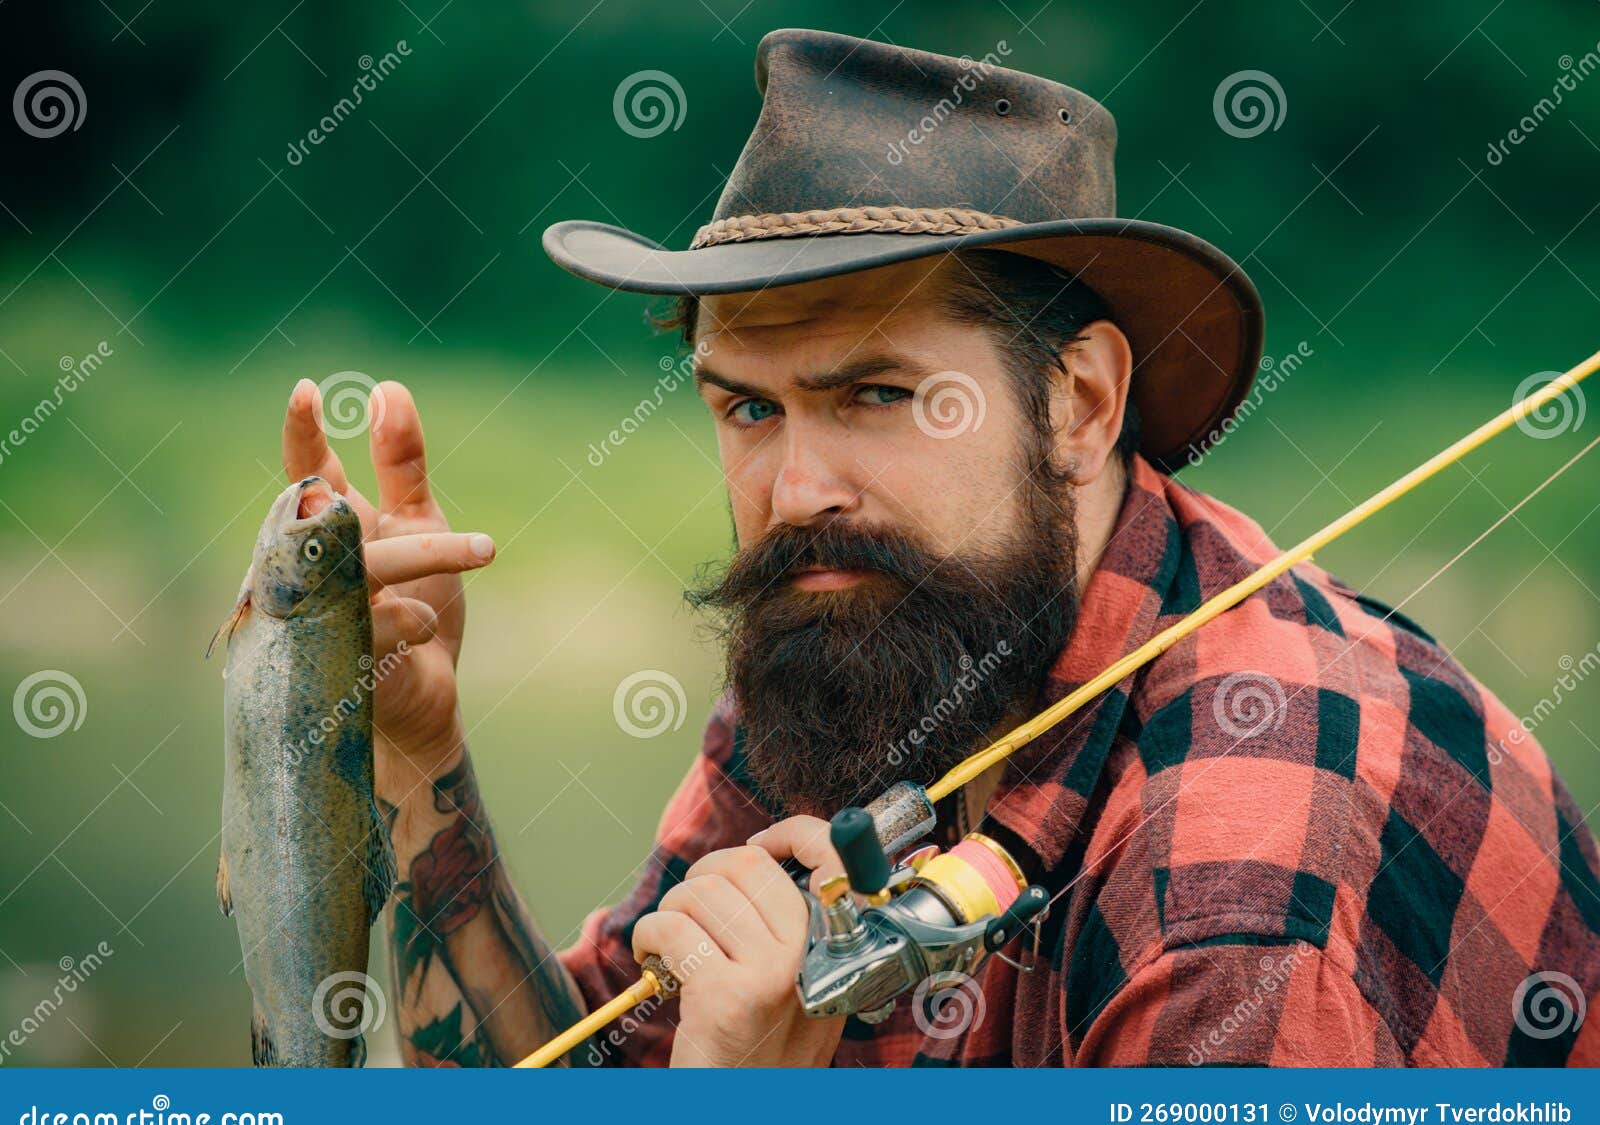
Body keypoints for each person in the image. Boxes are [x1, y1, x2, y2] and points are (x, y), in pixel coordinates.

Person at [279, 29, 1598, 1067]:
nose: (797, 489)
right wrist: (411, 752)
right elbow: (570, 1083)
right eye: (748, 405)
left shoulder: (1235, 874)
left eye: (875, 395)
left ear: (1079, 404)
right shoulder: (866, 625)